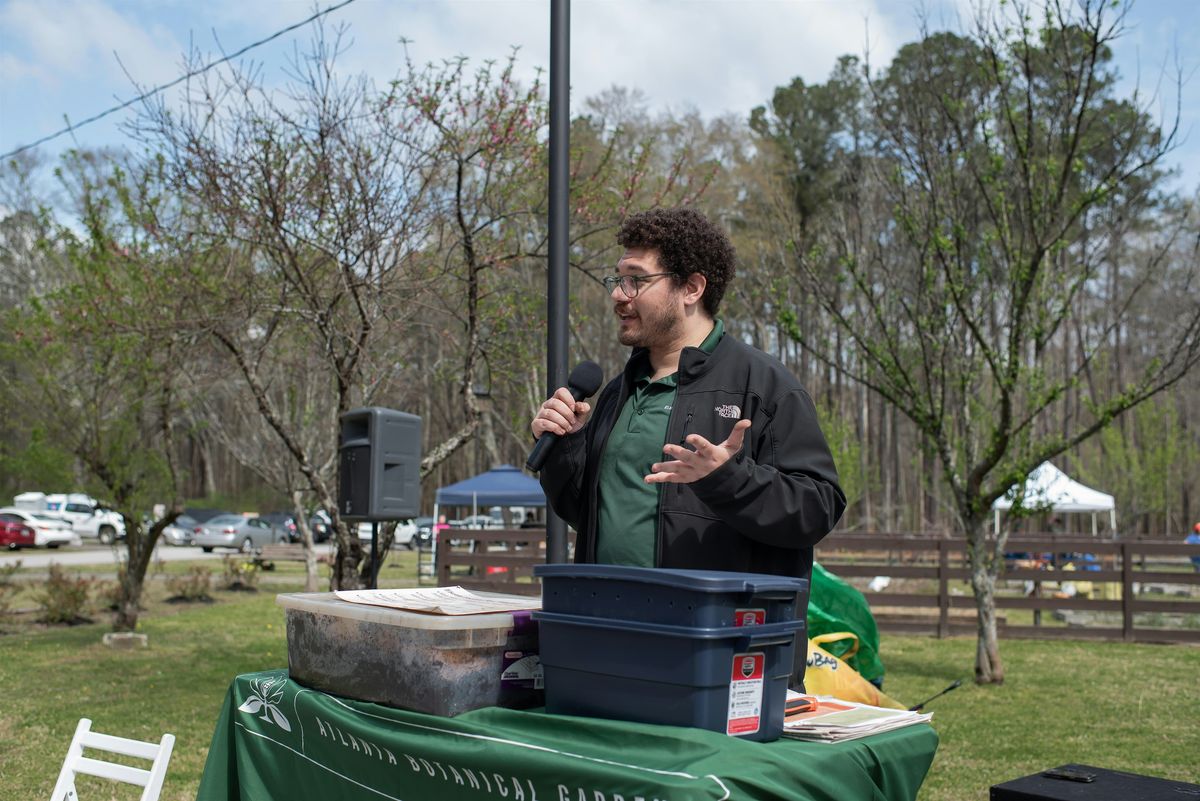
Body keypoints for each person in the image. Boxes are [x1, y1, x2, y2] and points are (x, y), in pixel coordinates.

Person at [531, 206, 846, 687]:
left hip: (717, 664)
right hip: (611, 650)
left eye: (636, 280)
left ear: (691, 289)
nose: (618, 295)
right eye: (616, 279)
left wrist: (729, 479)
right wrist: (567, 449)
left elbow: (818, 508)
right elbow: (590, 514)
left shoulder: (762, 386)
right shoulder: (617, 392)